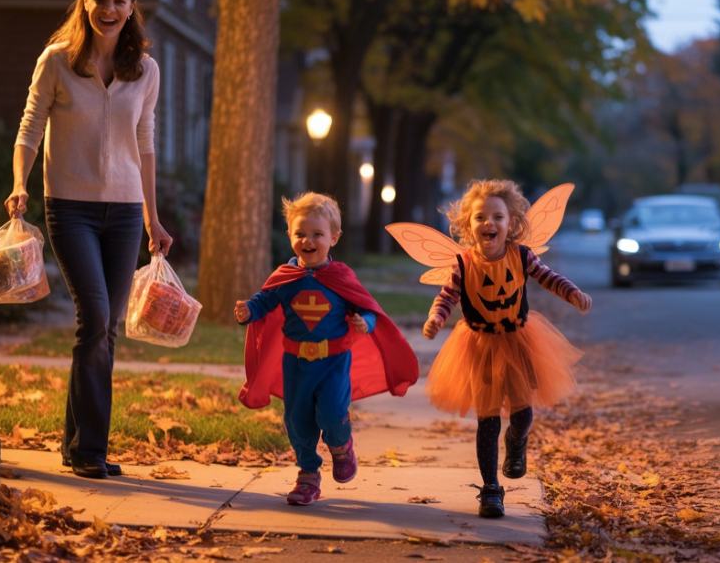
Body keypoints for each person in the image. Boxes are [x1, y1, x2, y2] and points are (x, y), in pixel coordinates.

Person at [5, 0, 172, 479]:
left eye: (120, 1)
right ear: (86, 1)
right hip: (69, 207)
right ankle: (91, 452)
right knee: (95, 317)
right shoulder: (57, 61)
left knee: (107, 328)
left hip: (124, 212)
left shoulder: (144, 70)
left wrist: (153, 218)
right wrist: (19, 183)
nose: (109, 10)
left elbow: (144, 145)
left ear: (131, 8)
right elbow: (30, 127)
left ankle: (77, 442)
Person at [414, 180, 590, 519]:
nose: (489, 223)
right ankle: (491, 490)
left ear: (511, 224)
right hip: (478, 344)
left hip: (518, 340)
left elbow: (549, 277)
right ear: (469, 225)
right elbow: (447, 296)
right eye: (480, 217)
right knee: (487, 420)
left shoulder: (521, 256)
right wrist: (435, 319)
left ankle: (517, 441)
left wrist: (571, 293)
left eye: (498, 216)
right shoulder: (463, 264)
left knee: (522, 413)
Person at [235, 193, 418, 507]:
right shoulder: (286, 277)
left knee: (332, 414)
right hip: (295, 363)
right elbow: (264, 300)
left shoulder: (341, 277)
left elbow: (368, 308)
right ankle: (308, 475)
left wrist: (367, 323)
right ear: (290, 235)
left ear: (334, 237)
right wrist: (249, 311)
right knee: (296, 420)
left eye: (317, 234)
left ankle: (341, 445)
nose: (308, 240)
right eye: (300, 234)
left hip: (333, 361)